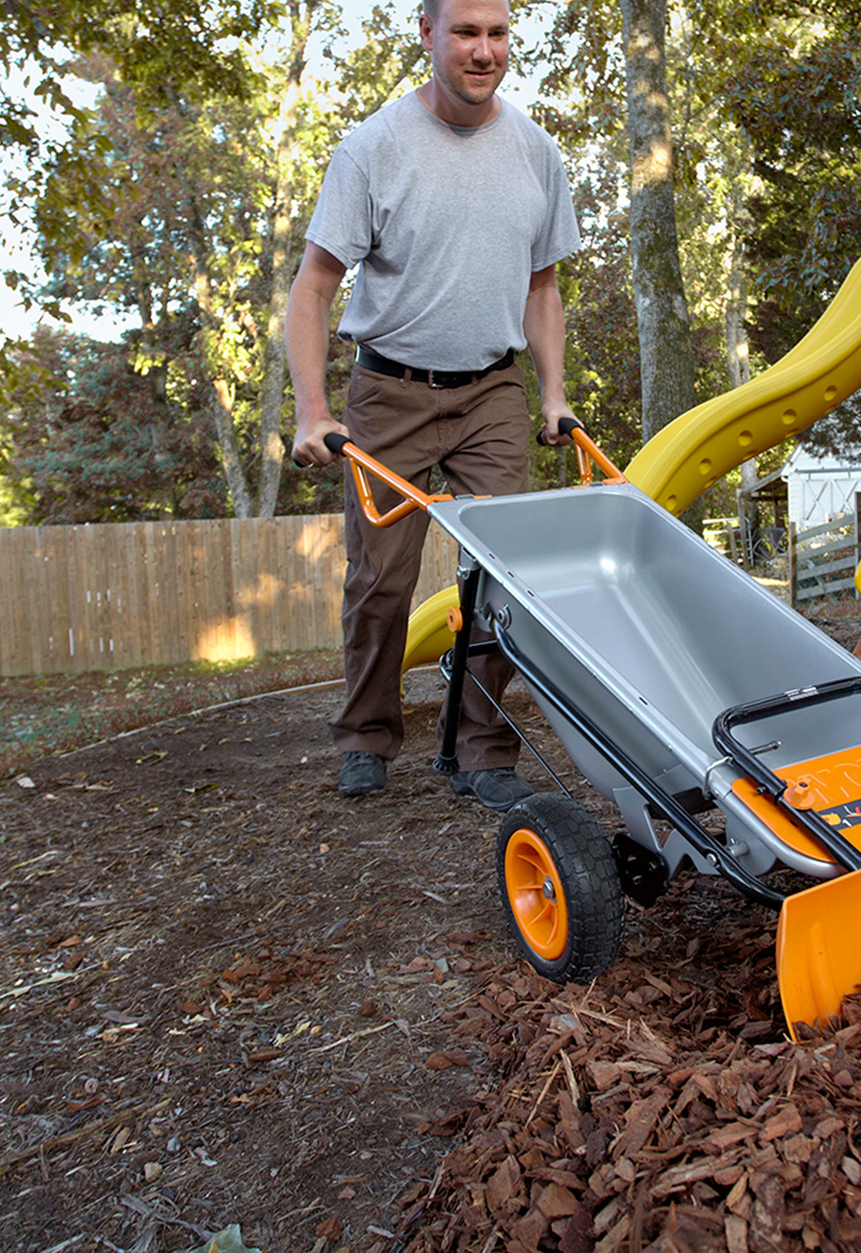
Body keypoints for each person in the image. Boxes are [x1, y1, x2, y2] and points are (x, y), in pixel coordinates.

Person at [287, 0, 580, 808]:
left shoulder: (536, 152)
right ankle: (367, 735)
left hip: (492, 388)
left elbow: (543, 286)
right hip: (391, 388)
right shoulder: (373, 149)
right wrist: (314, 409)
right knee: (382, 575)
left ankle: (484, 747)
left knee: (500, 575)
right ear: (426, 34)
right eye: (465, 33)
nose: (483, 52)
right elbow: (314, 287)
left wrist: (552, 393)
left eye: (496, 35)